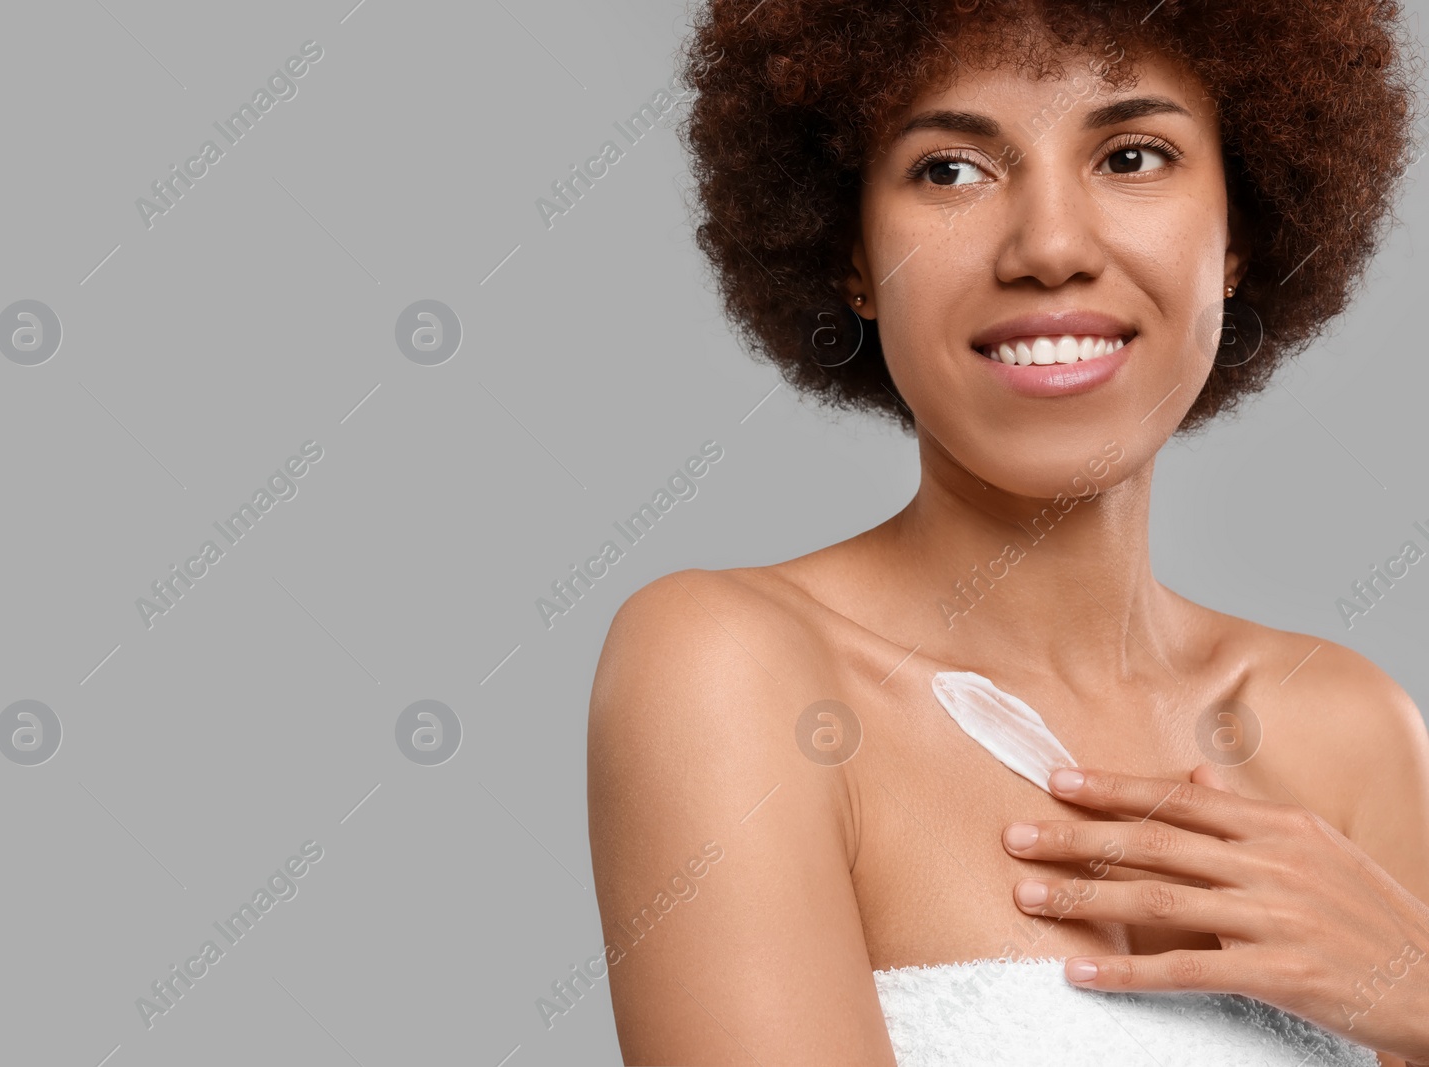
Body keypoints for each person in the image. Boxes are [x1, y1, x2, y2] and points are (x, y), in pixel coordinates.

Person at [586, 0, 1429, 1063]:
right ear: (850, 254)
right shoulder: (732, 668)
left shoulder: (1350, 730)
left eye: (1131, 154)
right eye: (949, 170)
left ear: (1238, 234)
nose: (1050, 246)